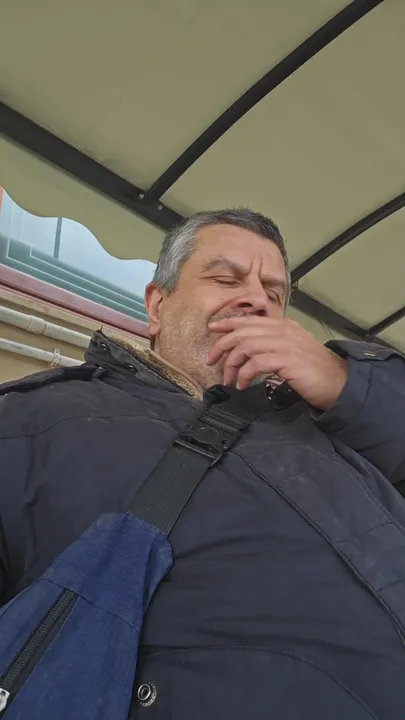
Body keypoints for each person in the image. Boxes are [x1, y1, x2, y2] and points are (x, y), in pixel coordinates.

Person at [0, 208, 405, 719]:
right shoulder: (34, 417)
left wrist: (347, 384)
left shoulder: (332, 424)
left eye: (274, 293)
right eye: (225, 279)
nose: (257, 299)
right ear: (157, 306)